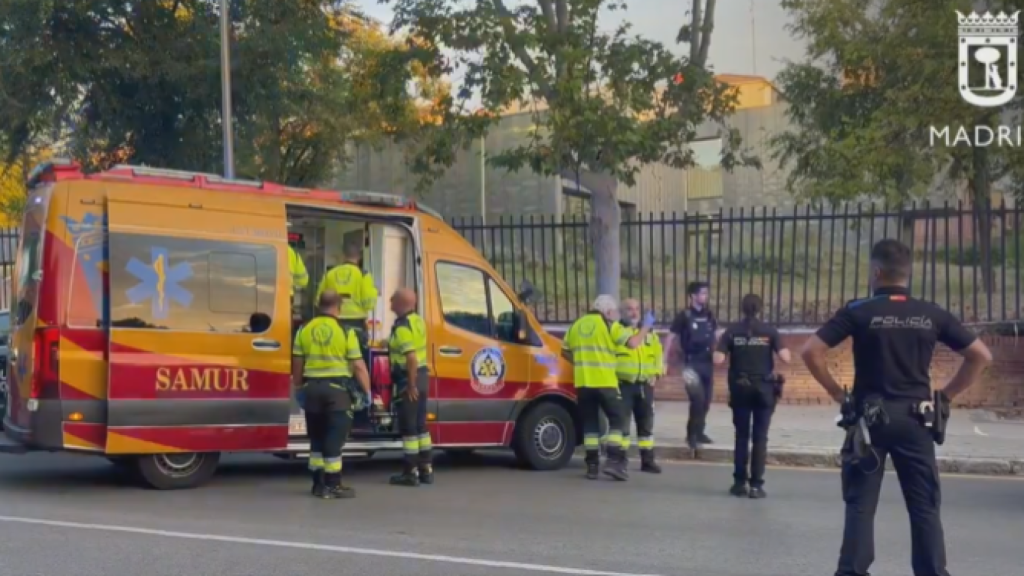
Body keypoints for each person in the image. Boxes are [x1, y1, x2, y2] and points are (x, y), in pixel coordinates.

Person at [800, 239, 992, 576]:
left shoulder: (859, 310)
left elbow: (811, 350)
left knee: (860, 506)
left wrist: (836, 394)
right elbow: (981, 356)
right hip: (917, 420)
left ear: (876, 272)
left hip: (869, 421)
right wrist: (945, 396)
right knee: (924, 508)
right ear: (907, 274)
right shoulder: (931, 313)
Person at [563, 294, 654, 481]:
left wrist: (581, 363)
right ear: (606, 311)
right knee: (619, 419)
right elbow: (633, 343)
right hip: (605, 382)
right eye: (613, 312)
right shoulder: (608, 325)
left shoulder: (576, 325)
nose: (614, 316)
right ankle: (613, 461)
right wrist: (645, 327)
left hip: (583, 384)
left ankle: (592, 466)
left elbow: (564, 350)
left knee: (590, 427)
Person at [292, 290, 372, 499]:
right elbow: (358, 365)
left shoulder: (304, 330)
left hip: (311, 390)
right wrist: (368, 391)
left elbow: (298, 363)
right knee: (334, 439)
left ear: (319, 305)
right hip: (337, 392)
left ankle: (318, 484)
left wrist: (298, 387)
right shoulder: (345, 332)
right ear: (339, 307)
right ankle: (333, 485)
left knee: (317, 438)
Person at [713, 294, 791, 499]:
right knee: (760, 437)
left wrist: (721, 342)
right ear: (760, 309)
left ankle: (739, 483)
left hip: (740, 387)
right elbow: (786, 357)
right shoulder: (769, 331)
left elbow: (718, 359)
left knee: (741, 436)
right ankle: (756, 485)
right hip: (764, 388)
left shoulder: (732, 331)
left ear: (742, 308)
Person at [387, 287, 434, 487]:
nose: (389, 301)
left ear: (400, 303)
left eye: (393, 299)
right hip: (423, 376)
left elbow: (411, 357)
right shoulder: (417, 320)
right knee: (421, 426)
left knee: (409, 429)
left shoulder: (403, 327)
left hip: (409, 380)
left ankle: (410, 472)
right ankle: (426, 469)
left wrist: (411, 385)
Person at [615, 298, 663, 473]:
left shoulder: (650, 334)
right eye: (629, 309)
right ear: (621, 312)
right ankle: (620, 461)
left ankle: (647, 460)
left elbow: (658, 354)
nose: (634, 312)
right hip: (623, 385)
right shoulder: (617, 330)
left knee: (646, 424)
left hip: (644, 385)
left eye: (636, 309)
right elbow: (632, 344)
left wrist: (657, 373)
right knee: (623, 426)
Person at [668, 281, 718, 449]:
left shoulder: (709, 314)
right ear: (692, 296)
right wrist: (664, 357)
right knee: (697, 399)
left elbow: (715, 335)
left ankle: (700, 431)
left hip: (707, 362)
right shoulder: (684, 316)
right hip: (691, 363)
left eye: (706, 293)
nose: (705, 296)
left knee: (706, 400)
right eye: (702, 293)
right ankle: (691, 434)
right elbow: (671, 336)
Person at [317, 243, 379, 362]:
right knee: (357, 360)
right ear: (359, 257)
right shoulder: (363, 275)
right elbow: (369, 303)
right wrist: (374, 292)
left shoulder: (330, 273)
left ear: (343, 256)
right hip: (356, 325)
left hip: (332, 321)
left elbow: (318, 300)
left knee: (334, 358)